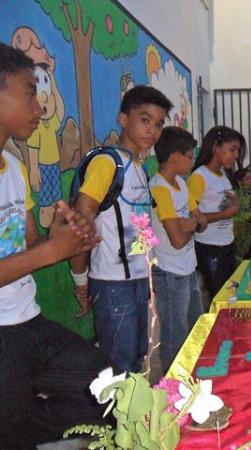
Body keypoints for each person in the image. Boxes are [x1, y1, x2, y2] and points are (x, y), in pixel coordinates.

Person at [0, 43, 108, 448]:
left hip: (27, 320)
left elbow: (30, 246)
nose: (40, 106)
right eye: (29, 93)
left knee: (104, 390)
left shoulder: (12, 166)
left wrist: (64, 235)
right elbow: (41, 253)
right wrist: (52, 251)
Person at [70, 85, 173, 373]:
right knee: (119, 368)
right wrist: (81, 280)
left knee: (140, 361)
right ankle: (114, 421)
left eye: (158, 124)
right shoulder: (107, 163)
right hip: (113, 284)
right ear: (123, 119)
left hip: (140, 282)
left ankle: (132, 419)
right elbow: (81, 220)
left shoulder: (139, 166)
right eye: (144, 119)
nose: (152, 130)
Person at [149, 126, 208, 372]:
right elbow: (177, 239)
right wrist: (188, 225)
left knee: (196, 326)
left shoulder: (181, 185)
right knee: (175, 333)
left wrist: (187, 224)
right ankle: (173, 388)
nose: (192, 161)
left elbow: (201, 221)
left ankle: (191, 377)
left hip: (188, 268)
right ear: (175, 156)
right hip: (170, 272)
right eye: (190, 155)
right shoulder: (159, 188)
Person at [188, 126, 243, 300]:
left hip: (226, 245)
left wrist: (234, 207)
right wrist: (226, 214)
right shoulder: (199, 177)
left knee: (227, 297)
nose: (235, 156)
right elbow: (191, 219)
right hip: (209, 249)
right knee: (217, 299)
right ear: (215, 147)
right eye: (232, 150)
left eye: (237, 151)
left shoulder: (221, 174)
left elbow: (226, 207)